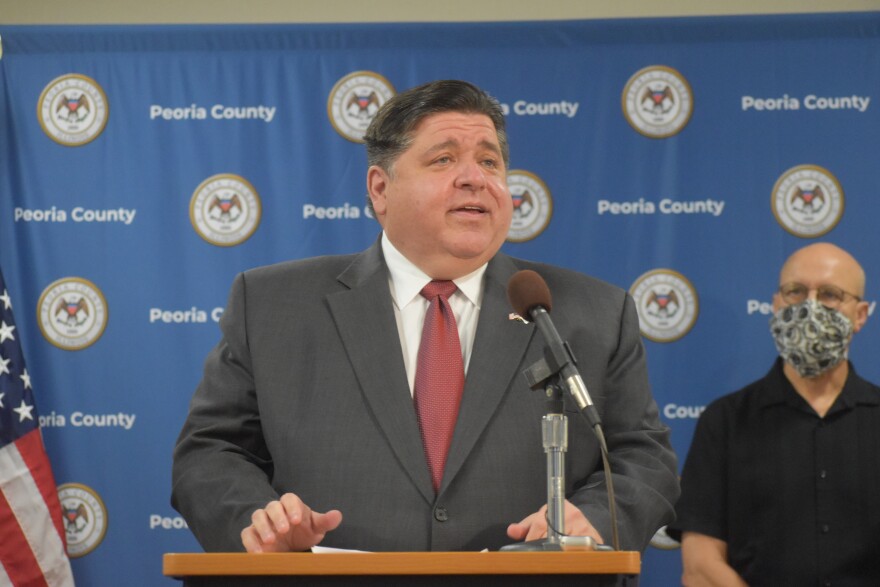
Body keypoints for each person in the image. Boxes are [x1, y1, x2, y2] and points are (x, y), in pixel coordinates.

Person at [171, 79, 679, 554]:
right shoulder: (271, 304)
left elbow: (642, 457)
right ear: (379, 189)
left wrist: (592, 518)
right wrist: (263, 522)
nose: (474, 179)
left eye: (490, 161)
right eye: (443, 159)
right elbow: (210, 454)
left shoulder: (593, 310)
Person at [669, 242, 880, 586]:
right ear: (776, 304)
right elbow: (701, 566)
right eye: (795, 292)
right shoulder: (725, 421)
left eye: (829, 294)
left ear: (860, 315)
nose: (809, 307)